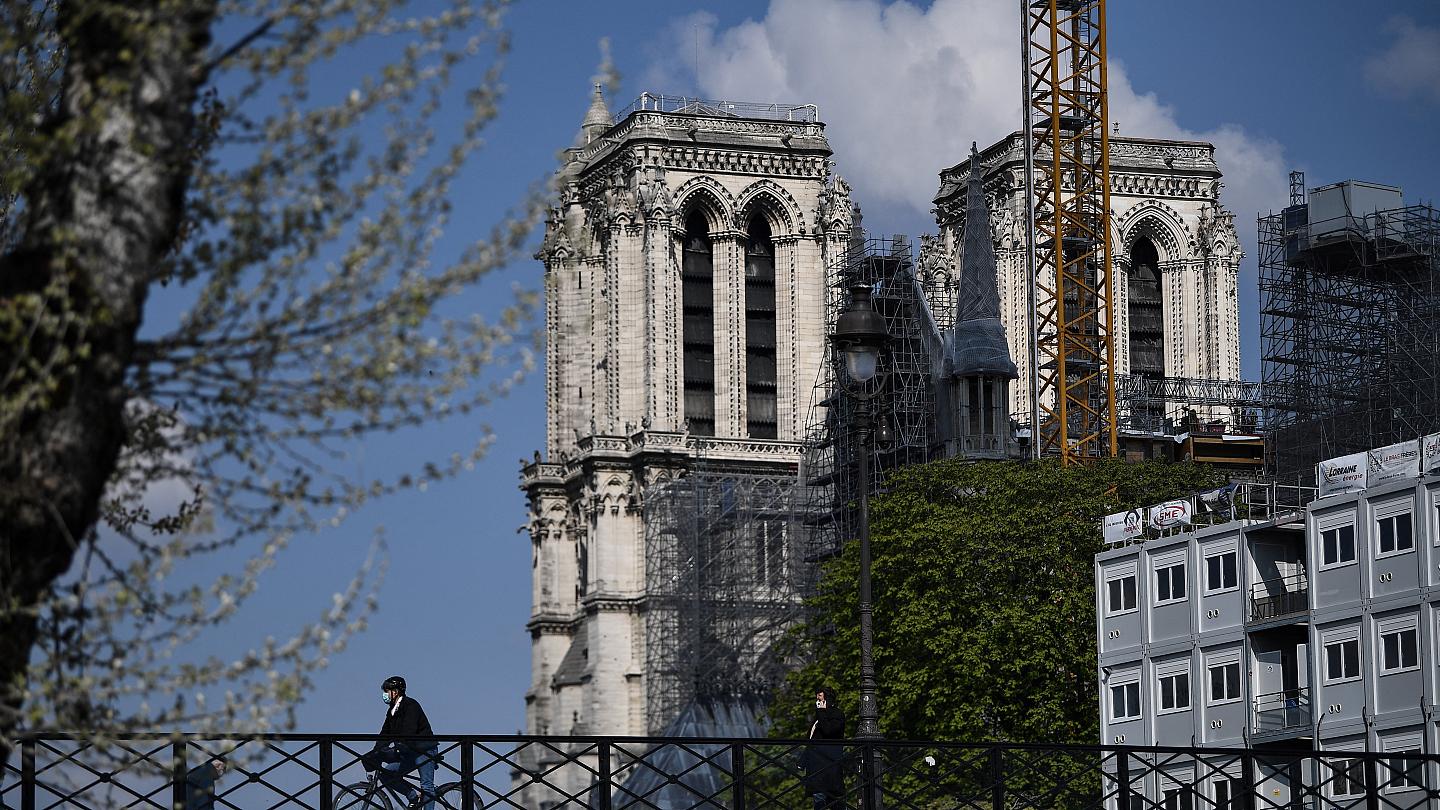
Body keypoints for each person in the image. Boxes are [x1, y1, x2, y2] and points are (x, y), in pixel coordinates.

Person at [363, 675, 438, 809]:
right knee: (386, 775)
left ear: (396, 692)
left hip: (424, 749)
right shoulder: (392, 711)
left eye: (387, 691)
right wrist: (375, 752)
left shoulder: (410, 705)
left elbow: (408, 731)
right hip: (409, 751)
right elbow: (385, 735)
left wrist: (396, 749)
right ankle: (413, 797)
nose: (385, 694)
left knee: (426, 785)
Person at [801, 687, 846, 810]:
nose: (817, 699)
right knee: (819, 799)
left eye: (820, 696)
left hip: (829, 765)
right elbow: (811, 741)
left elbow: (828, 730)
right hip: (816, 767)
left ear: (827, 698)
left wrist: (821, 712)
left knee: (836, 801)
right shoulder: (818, 718)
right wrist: (803, 761)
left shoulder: (837, 714)